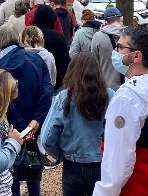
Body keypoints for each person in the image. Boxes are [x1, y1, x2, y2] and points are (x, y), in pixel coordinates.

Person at [93, 27, 148, 196]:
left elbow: (118, 161)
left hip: (138, 189)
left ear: (136, 56)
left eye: (120, 47)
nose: (115, 52)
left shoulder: (127, 98)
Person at [0, 24, 54, 196]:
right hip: (33, 124)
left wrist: (22, 127)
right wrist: (35, 122)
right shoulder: (36, 60)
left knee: (11, 166)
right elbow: (47, 91)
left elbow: (2, 100)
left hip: (11, 125)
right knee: (32, 163)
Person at [41, 52, 115, 196]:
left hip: (74, 163)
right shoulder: (110, 95)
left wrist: (60, 153)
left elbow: (47, 138)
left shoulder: (64, 97)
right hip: (103, 163)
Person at [33, 5, 71, 90]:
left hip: (32, 83)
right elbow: (65, 62)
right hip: (54, 83)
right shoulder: (58, 37)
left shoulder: (29, 36)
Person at [91, 7, 127, 91]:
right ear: (121, 19)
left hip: (106, 85)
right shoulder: (130, 35)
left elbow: (94, 61)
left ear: (105, 22)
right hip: (128, 85)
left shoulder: (98, 37)